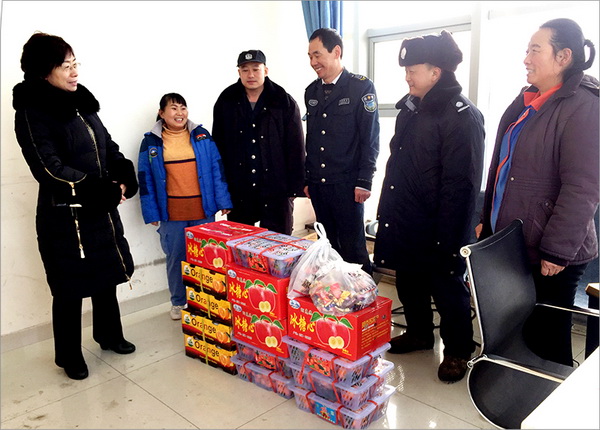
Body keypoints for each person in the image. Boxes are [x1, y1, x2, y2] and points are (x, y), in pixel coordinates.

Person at [13, 32, 138, 380]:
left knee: (106, 275)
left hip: (99, 208)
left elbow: (106, 146)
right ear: (44, 71)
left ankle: (109, 335)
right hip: (64, 216)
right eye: (65, 66)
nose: (74, 72)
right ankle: (69, 355)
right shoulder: (32, 111)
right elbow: (48, 168)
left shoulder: (81, 102)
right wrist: (99, 190)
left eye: (75, 63)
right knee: (69, 285)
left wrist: (122, 175)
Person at [478, 18, 599, 367]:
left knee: (548, 337)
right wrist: (487, 222)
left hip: (552, 250)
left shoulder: (584, 105)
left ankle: (554, 393)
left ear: (563, 56)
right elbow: (503, 169)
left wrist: (556, 251)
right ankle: (523, 387)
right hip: (517, 240)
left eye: (535, 50)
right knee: (524, 331)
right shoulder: (529, 100)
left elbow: (583, 187)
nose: (526, 59)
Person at [373, 30, 485, 382]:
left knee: (448, 287)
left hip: (442, 223)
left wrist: (450, 238)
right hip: (408, 216)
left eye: (413, 71)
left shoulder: (461, 116)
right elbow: (399, 164)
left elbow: (462, 185)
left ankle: (458, 350)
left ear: (436, 73)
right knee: (409, 280)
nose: (407, 77)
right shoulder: (411, 108)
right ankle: (420, 333)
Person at [138, 93, 232, 320]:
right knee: (176, 259)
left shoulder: (201, 135)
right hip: (172, 214)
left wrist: (223, 200)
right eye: (173, 108)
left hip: (203, 211)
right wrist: (151, 212)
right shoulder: (151, 142)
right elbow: (145, 179)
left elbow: (216, 169)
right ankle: (178, 301)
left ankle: (208, 299)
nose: (179, 113)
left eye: (183, 108)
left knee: (207, 258)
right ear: (162, 113)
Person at [304, 28, 379, 274]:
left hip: (348, 184)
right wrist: (307, 178)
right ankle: (333, 293)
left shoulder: (360, 87)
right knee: (326, 246)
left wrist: (365, 180)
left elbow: (370, 138)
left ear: (336, 52)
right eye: (310, 56)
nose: (313, 62)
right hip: (319, 183)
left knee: (353, 248)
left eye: (317, 55)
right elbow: (312, 138)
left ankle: (364, 295)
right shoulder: (311, 91)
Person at [212, 50, 305, 235]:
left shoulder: (282, 100)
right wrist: (222, 191)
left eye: (256, 69)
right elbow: (218, 147)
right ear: (239, 72)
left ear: (266, 70)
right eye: (245, 70)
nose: (251, 75)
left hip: (276, 187)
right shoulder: (226, 100)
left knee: (278, 242)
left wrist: (295, 188)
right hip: (240, 187)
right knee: (240, 243)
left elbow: (296, 146)